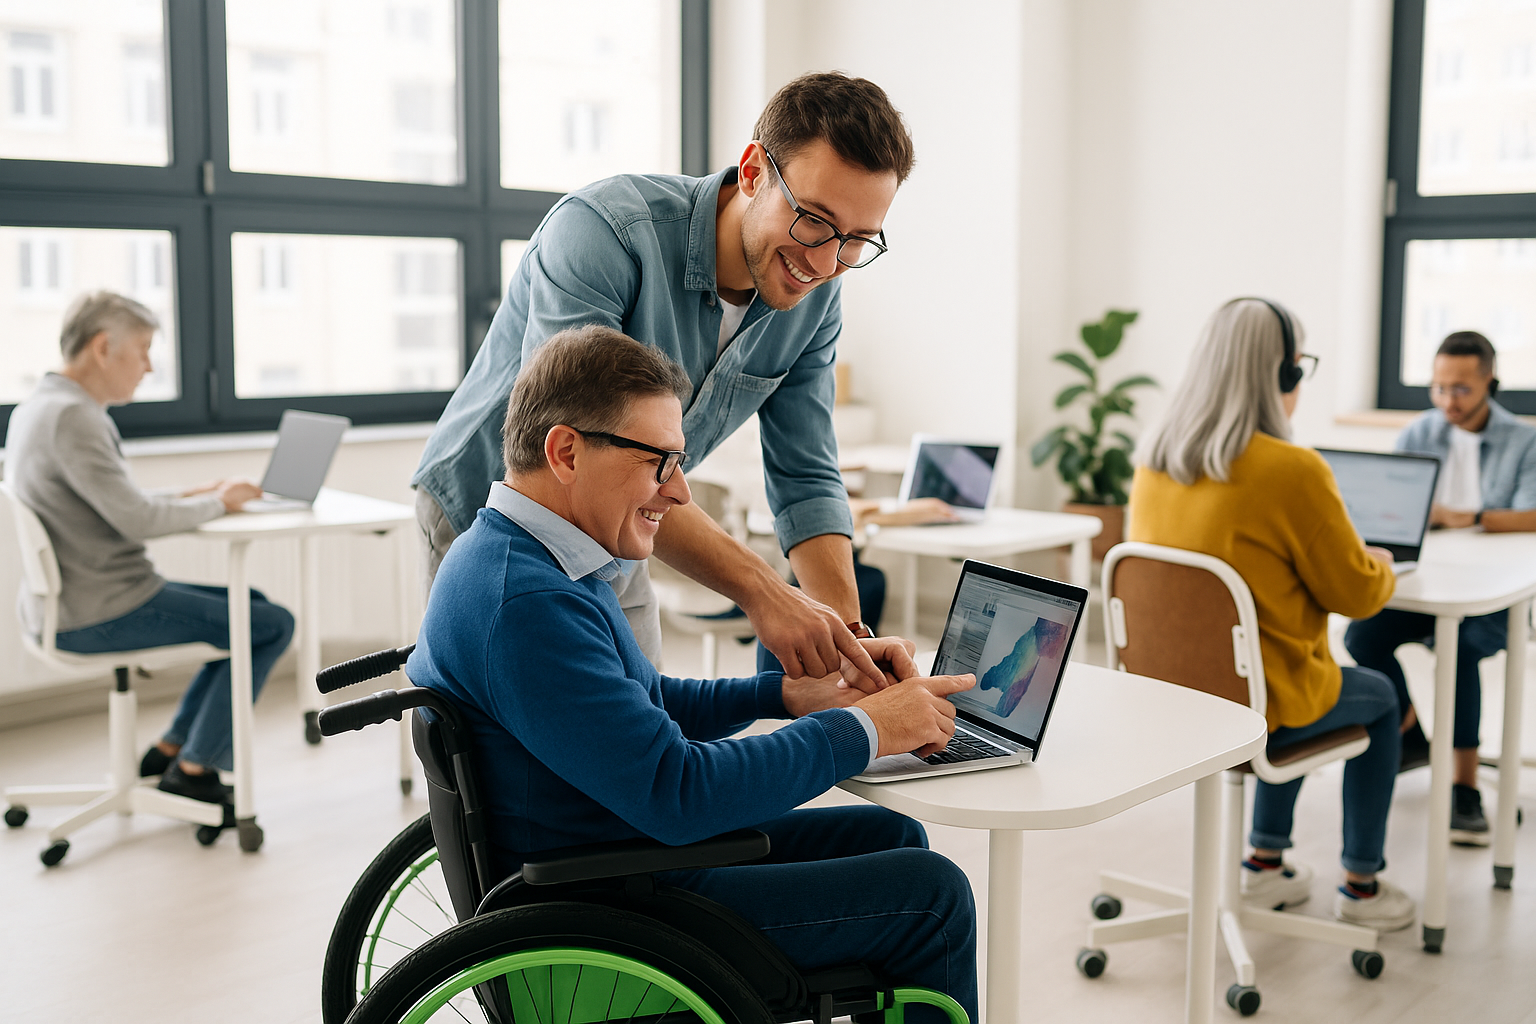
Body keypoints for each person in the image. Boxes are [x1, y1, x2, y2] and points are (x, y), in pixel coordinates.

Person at [407, 326, 978, 1021]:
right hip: (603, 913)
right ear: (565, 452)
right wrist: (863, 728)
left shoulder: (521, 558)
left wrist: (783, 694)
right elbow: (678, 792)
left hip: (611, 859)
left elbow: (639, 705)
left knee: (891, 838)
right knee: (933, 895)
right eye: (660, 464)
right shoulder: (528, 602)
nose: (677, 493)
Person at [413, 71, 915, 689]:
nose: (824, 261)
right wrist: (762, 590)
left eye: (856, 241)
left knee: (638, 731)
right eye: (813, 220)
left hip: (620, 521)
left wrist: (846, 644)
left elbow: (806, 477)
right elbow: (594, 455)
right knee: (518, 761)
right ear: (754, 170)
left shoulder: (815, 299)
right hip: (492, 510)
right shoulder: (604, 233)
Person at [1129, 297, 1415, 930]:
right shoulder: (1294, 471)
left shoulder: (1155, 462)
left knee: (1278, 674)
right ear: (1284, 375)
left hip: (1170, 701)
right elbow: (1360, 596)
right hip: (1257, 706)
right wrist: (1381, 563)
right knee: (1378, 693)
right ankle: (1362, 887)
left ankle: (1265, 863)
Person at [5, 291, 295, 804]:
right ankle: (194, 769)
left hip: (71, 598)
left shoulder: (44, 406)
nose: (148, 366)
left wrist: (196, 495)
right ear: (102, 348)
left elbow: (113, 502)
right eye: (141, 350)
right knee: (270, 625)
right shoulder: (75, 417)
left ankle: (171, 747)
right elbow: (136, 520)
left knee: (249, 607)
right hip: (100, 607)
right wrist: (221, 504)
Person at [1344, 331, 1536, 845]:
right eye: (1439, 388)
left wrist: (1465, 517)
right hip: (1429, 576)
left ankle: (1464, 786)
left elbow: (1531, 516)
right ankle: (1409, 731)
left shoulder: (1523, 439)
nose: (1448, 401)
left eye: (1461, 390)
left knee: (1462, 648)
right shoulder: (1418, 431)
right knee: (1362, 638)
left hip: (1492, 588)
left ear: (1489, 384)